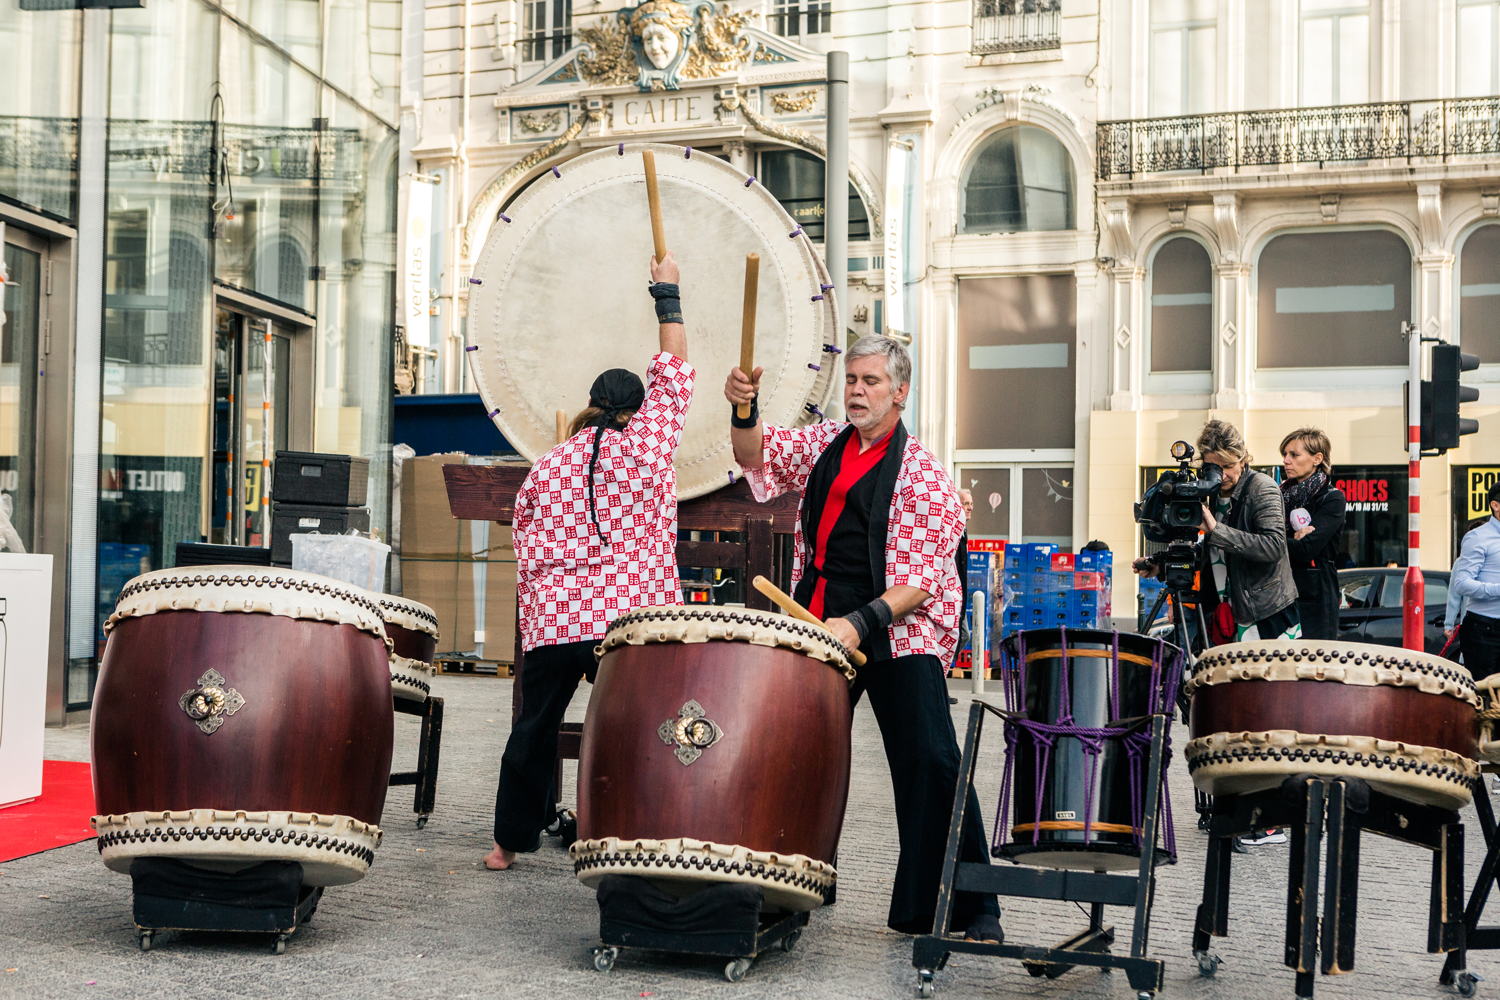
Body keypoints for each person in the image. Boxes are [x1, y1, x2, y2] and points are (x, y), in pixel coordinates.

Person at [723, 335, 1002, 943]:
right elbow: (756, 453)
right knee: (796, 755)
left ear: (900, 392)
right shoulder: (825, 443)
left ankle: (971, 909)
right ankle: (785, 888)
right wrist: (744, 409)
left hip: (897, 631)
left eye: (870, 381)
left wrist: (860, 622)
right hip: (818, 624)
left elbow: (922, 583)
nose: (856, 390)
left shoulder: (924, 474)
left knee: (930, 759)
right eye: (851, 379)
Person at [484, 252, 694, 871]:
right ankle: (631, 827)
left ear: (590, 403)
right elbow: (675, 370)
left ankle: (505, 845)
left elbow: (524, 542)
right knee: (636, 729)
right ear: (638, 409)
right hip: (625, 624)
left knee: (533, 730)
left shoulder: (548, 464)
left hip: (552, 623)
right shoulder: (648, 450)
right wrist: (667, 293)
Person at [1279, 428, 1346, 640]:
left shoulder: (1332, 499)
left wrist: (1275, 540)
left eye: (1294, 455)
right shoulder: (1277, 496)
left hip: (1315, 594)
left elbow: (1307, 549)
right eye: (1285, 454)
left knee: (1313, 662)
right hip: (1278, 589)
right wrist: (1291, 539)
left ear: (1317, 458)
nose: (1286, 460)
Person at [1451, 483, 1500, 682]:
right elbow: (1461, 584)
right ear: (1495, 505)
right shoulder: (1478, 537)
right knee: (1485, 700)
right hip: (1484, 630)